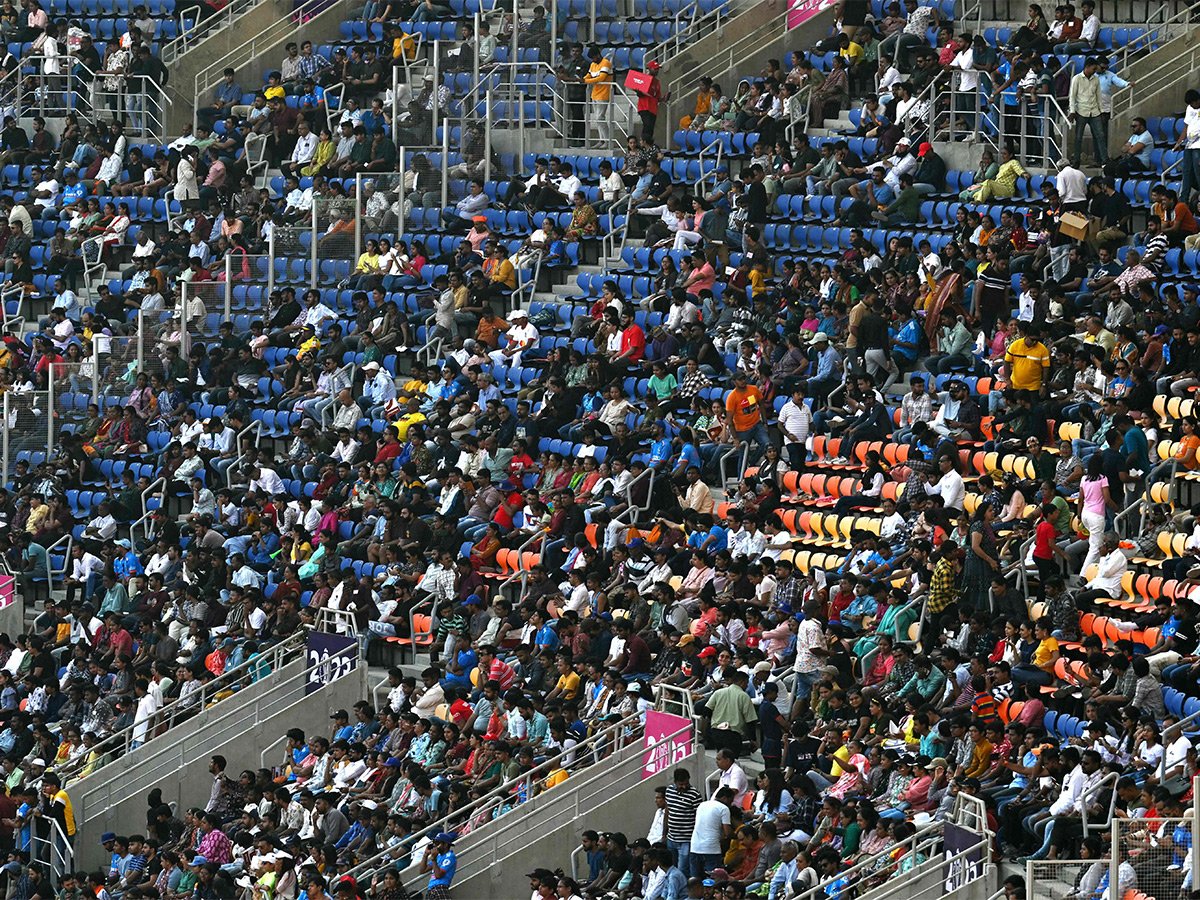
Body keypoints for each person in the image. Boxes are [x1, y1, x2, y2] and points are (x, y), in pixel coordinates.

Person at [420, 831, 457, 899]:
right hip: (431, 889)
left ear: (445, 845)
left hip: (440, 888)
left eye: (437, 843)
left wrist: (433, 858)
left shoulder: (450, 857)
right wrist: (425, 855)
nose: (435, 846)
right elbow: (422, 870)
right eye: (434, 843)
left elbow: (438, 875)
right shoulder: (438, 856)